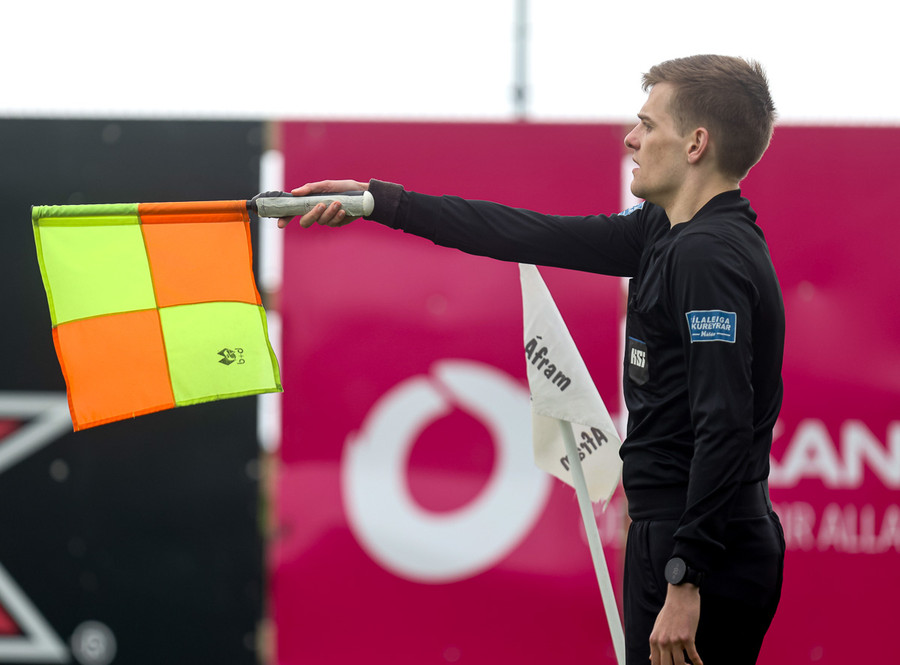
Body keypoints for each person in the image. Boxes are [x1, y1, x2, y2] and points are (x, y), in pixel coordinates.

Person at [277, 54, 786, 665]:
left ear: (696, 144)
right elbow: (525, 233)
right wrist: (379, 202)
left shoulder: (708, 256)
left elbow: (724, 427)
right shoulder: (664, 232)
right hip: (680, 543)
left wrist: (686, 576)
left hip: (704, 558)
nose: (631, 138)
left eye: (648, 125)